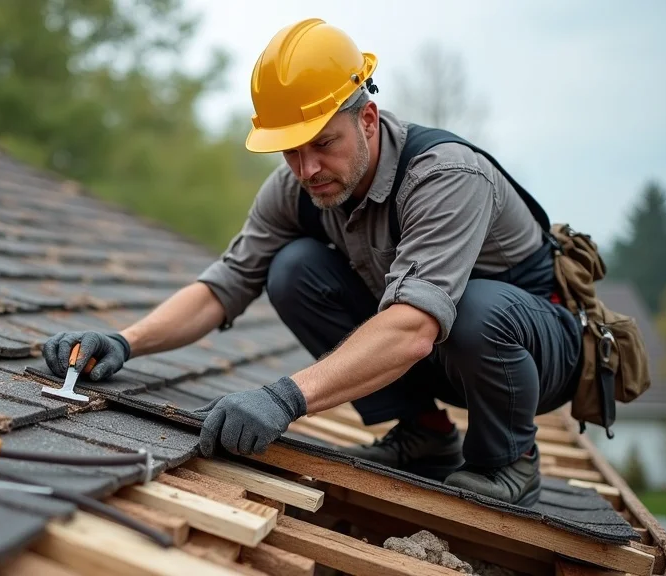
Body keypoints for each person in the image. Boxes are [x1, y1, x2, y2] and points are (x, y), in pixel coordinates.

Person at [40, 18, 582, 507]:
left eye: (323, 143)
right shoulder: (296, 187)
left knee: (473, 308)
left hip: (532, 355)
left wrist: (285, 398)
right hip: (438, 354)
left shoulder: (445, 176)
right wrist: (125, 341)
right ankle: (425, 433)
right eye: (292, 151)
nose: (307, 169)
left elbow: (416, 328)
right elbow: (226, 284)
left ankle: (509, 459)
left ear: (367, 118)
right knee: (293, 267)